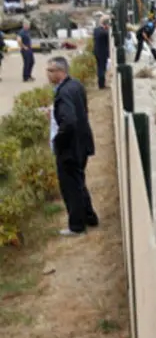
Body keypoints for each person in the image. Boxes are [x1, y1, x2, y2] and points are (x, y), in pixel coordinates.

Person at [47, 57, 98, 236]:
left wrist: (58, 141)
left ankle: (76, 226)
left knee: (71, 187)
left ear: (61, 71)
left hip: (70, 148)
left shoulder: (63, 93)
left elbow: (69, 121)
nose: (48, 74)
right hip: (82, 144)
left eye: (51, 71)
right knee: (78, 182)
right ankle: (89, 216)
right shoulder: (76, 85)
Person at [93, 16, 110, 89]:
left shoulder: (96, 30)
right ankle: (101, 85)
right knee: (102, 69)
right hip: (102, 53)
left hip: (96, 51)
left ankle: (101, 83)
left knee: (99, 67)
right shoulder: (104, 33)